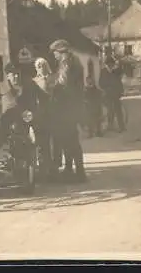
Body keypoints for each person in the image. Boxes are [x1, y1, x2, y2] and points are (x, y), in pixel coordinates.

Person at [0, 62, 49, 195]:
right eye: (13, 74)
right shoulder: (1, 87)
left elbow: (44, 98)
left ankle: (27, 179)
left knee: (25, 149)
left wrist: (36, 113)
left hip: (24, 122)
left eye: (18, 74)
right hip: (5, 123)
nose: (16, 77)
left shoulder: (30, 85)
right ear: (7, 76)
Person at [49, 39, 87, 182]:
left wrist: (50, 85)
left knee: (69, 140)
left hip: (66, 107)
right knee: (71, 140)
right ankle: (73, 170)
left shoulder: (66, 63)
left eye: (55, 53)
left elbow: (62, 83)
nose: (54, 55)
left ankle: (77, 173)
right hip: (73, 106)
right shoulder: (74, 61)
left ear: (61, 52)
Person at [32, 57, 58, 180]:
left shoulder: (53, 78)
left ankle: (54, 168)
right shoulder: (34, 81)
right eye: (38, 66)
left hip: (53, 112)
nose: (41, 67)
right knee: (41, 142)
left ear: (46, 66)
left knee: (54, 142)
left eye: (42, 65)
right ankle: (43, 168)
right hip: (40, 114)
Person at [99, 56, 126, 132]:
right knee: (110, 110)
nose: (111, 66)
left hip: (116, 94)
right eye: (109, 64)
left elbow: (119, 82)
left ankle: (122, 127)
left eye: (112, 64)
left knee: (118, 110)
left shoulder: (116, 71)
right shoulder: (103, 71)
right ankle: (110, 126)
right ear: (106, 64)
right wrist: (106, 87)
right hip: (107, 94)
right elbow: (100, 82)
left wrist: (121, 91)